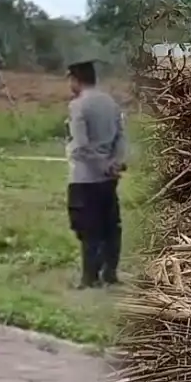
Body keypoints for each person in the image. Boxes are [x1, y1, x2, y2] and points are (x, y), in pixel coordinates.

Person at [65, 60, 127, 289]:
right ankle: (110, 272)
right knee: (110, 226)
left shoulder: (78, 106)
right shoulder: (110, 103)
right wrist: (115, 163)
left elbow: (80, 145)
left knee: (87, 228)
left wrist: (101, 165)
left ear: (75, 79)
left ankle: (90, 277)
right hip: (109, 178)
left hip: (85, 177)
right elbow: (121, 136)